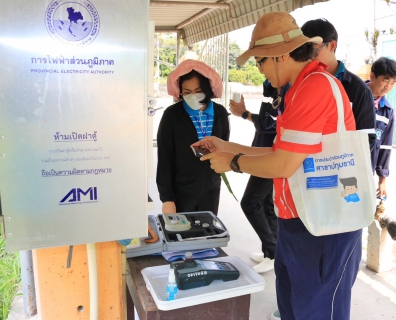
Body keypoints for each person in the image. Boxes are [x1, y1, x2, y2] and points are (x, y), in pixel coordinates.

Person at [192, 12, 367, 320]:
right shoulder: (296, 89)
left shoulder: (315, 87)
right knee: (292, 309)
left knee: (316, 312)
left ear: (281, 55)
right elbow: (279, 152)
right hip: (297, 221)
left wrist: (233, 162)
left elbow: (283, 164)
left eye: (260, 61)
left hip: (324, 226)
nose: (259, 69)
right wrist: (227, 146)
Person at [228, 80, 290, 273]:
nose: (261, 69)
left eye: (262, 62)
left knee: (250, 202)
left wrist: (244, 113)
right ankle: (272, 252)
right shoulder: (273, 87)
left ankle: (272, 252)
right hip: (262, 151)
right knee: (265, 204)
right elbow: (265, 122)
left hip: (271, 155)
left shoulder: (287, 90)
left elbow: (268, 124)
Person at [156, 60, 230, 215]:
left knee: (207, 234)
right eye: (187, 92)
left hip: (211, 190)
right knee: (182, 236)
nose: (193, 96)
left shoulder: (220, 114)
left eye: (198, 91)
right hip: (181, 193)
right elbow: (164, 159)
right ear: (180, 92)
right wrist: (167, 199)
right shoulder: (172, 116)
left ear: (208, 89)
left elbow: (225, 149)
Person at [301, 19, 376, 153]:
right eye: (303, 52)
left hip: (340, 168)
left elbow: (367, 140)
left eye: (313, 50)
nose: (309, 58)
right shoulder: (301, 85)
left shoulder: (359, 90)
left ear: (332, 45)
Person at [366, 57, 396, 199]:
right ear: (373, 76)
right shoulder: (353, 96)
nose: (388, 87)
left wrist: (382, 181)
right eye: (386, 80)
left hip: (367, 170)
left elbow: (385, 146)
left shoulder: (387, 111)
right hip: (343, 163)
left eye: (393, 82)